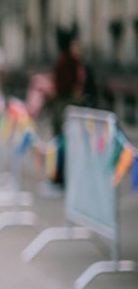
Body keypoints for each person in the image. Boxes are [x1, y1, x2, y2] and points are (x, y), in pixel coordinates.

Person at [50, 34, 89, 185]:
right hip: (64, 109)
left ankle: (67, 175)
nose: (78, 50)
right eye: (76, 47)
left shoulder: (78, 64)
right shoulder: (66, 63)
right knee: (62, 144)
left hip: (73, 109)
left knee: (72, 145)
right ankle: (59, 175)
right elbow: (63, 87)